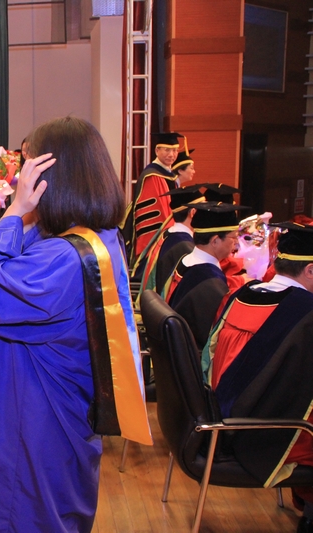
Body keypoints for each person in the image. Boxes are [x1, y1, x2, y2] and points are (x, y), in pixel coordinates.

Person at [0, 117, 151, 532]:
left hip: (31, 419)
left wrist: (17, 209)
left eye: (30, 166)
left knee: (14, 516)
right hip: (60, 410)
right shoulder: (99, 235)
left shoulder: (62, 259)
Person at [204, 222, 313, 532]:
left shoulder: (240, 294)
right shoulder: (306, 313)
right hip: (261, 431)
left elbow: (209, 357)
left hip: (221, 415)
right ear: (310, 271)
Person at [164, 202, 243, 350]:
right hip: (196, 354)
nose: (237, 243)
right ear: (215, 241)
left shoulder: (186, 260)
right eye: (234, 237)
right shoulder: (210, 282)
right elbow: (219, 335)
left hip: (176, 347)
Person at [127, 132, 185, 268]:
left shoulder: (169, 175)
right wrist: (171, 233)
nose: (171, 154)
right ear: (157, 151)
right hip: (154, 240)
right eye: (167, 150)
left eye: (175, 150)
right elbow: (158, 213)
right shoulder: (152, 176)